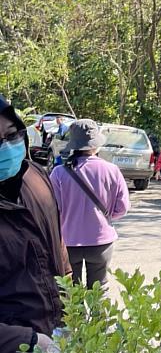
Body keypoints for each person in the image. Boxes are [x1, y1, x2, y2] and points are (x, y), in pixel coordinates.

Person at [0, 96, 70, 353]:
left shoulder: (34, 178)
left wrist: (74, 314)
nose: (6, 149)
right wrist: (28, 344)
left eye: (11, 134)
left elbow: (58, 254)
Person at [50, 119, 129, 290]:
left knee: (71, 293)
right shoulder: (112, 170)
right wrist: (105, 217)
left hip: (68, 242)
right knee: (99, 291)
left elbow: (53, 210)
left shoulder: (58, 173)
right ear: (96, 144)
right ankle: (98, 318)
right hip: (101, 241)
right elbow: (122, 207)